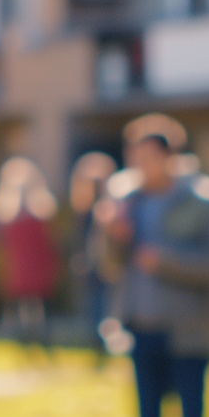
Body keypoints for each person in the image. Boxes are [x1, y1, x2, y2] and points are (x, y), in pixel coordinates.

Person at [100, 115, 209, 417]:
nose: (139, 166)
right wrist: (114, 236)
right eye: (134, 157)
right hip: (141, 327)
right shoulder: (127, 203)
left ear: (168, 157)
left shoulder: (202, 203)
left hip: (188, 332)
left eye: (147, 157)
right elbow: (110, 266)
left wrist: (164, 262)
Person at [0, 156, 59, 356]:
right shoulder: (20, 214)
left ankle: (35, 346)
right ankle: (32, 347)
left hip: (27, 269)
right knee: (30, 313)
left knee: (33, 312)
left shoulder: (15, 214)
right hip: (26, 269)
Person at [69, 150, 119, 360]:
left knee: (106, 305)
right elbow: (80, 236)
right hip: (93, 265)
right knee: (95, 306)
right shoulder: (84, 207)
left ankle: (105, 341)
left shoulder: (111, 204)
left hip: (108, 263)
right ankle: (98, 343)